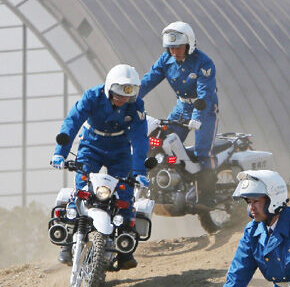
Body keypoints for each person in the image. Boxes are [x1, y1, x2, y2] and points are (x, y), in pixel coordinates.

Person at [50, 64, 149, 269]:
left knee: (125, 193)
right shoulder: (92, 96)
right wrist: (60, 153)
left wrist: (139, 172)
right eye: (119, 94)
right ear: (108, 88)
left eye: (128, 96)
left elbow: (140, 139)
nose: (123, 100)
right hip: (91, 145)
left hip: (120, 150)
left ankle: (124, 247)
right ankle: (68, 241)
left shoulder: (137, 105)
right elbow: (73, 122)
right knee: (82, 188)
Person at [139, 21, 219, 206]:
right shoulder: (165, 61)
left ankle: (208, 194)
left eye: (178, 47)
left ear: (189, 44)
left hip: (204, 108)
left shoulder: (204, 63)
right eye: (171, 48)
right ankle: (168, 183)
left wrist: (197, 118)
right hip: (182, 108)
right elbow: (148, 81)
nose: (174, 52)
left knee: (203, 151)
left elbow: (204, 94)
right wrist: (130, 98)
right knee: (164, 142)